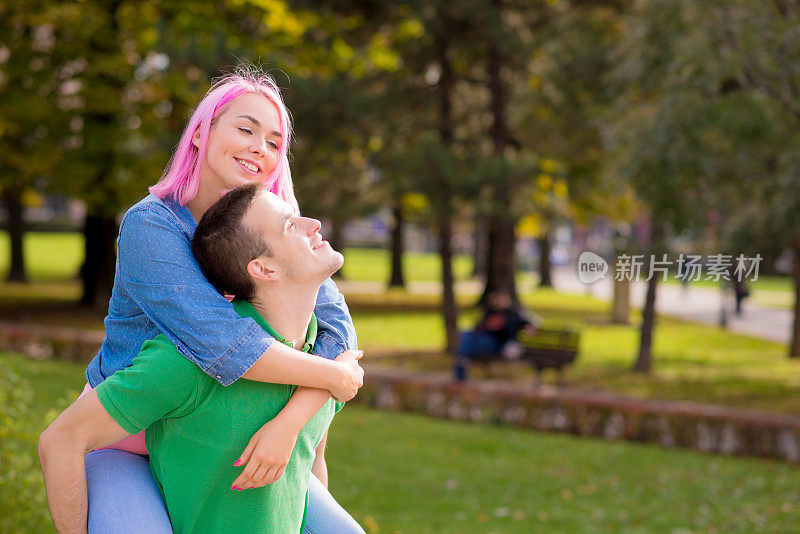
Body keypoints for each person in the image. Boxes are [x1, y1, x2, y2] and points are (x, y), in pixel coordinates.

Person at [63, 69, 364, 532]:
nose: (259, 148)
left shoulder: (269, 229)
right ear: (201, 134)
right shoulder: (153, 226)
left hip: (218, 432)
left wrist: (290, 423)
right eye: (246, 129)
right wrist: (336, 377)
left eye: (273, 142)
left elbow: (336, 331)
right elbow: (225, 344)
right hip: (127, 434)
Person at [454, 291, 537, 381]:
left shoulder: (512, 314)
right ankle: (463, 358)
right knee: (466, 334)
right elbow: (480, 326)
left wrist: (530, 326)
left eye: (501, 299)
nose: (499, 301)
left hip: (497, 343)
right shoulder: (490, 313)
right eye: (497, 299)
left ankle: (463, 358)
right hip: (482, 340)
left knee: (471, 342)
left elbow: (528, 321)